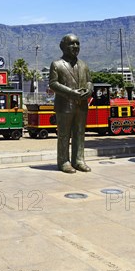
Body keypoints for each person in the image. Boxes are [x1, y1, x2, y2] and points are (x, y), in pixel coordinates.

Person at [49, 34, 93, 174]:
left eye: (77, 44)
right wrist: (71, 92)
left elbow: (89, 81)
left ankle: (79, 160)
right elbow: (53, 84)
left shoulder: (84, 65)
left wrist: (89, 89)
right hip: (64, 105)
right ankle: (63, 161)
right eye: (72, 44)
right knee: (64, 134)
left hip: (82, 105)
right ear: (63, 47)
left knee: (80, 133)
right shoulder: (56, 64)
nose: (75, 46)